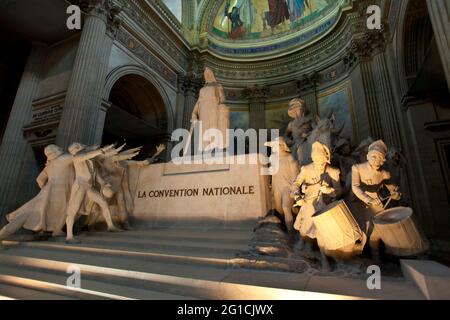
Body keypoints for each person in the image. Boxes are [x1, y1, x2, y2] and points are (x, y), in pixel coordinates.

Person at [0, 145, 74, 244]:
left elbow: (39, 179)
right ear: (57, 150)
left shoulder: (49, 165)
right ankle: (56, 229)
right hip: (59, 191)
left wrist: (44, 188)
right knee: (63, 210)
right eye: (58, 148)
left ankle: (56, 229)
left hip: (47, 191)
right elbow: (80, 157)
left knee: (30, 214)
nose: (61, 148)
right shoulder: (64, 158)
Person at [291, 141, 341, 270]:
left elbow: (339, 190)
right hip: (309, 204)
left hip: (326, 207)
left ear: (326, 158)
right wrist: (298, 195)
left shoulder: (332, 171)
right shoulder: (306, 169)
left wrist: (330, 190)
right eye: (317, 159)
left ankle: (325, 260)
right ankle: (303, 242)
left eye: (322, 160)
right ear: (313, 158)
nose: (320, 163)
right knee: (304, 228)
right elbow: (295, 184)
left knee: (321, 233)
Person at [351, 140, 401, 261]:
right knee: (364, 229)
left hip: (377, 204)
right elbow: (355, 187)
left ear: (383, 160)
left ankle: (378, 258)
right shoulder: (357, 168)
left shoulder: (384, 174)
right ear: (368, 156)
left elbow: (391, 187)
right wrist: (368, 199)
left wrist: (395, 193)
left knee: (379, 231)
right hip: (359, 202)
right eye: (373, 156)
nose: (376, 159)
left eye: (379, 158)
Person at [65, 143, 121, 243]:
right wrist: (101, 150)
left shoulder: (90, 161)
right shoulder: (77, 157)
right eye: (78, 146)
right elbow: (88, 154)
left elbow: (96, 175)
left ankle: (111, 226)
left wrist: (104, 184)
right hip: (80, 186)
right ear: (74, 150)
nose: (82, 146)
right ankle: (69, 236)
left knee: (103, 202)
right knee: (73, 210)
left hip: (88, 186)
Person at [265, 138, 300, 234]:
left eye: (276, 145)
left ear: (282, 145)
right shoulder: (273, 158)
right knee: (279, 209)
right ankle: (284, 230)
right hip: (277, 188)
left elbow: (295, 175)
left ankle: (291, 233)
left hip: (287, 187)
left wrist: (294, 189)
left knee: (286, 207)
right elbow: (272, 173)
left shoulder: (290, 158)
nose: (275, 148)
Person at [190, 68, 230, 151]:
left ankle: (215, 149)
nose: (207, 75)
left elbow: (222, 99)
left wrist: (221, 104)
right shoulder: (202, 89)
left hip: (214, 108)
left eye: (209, 73)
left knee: (214, 127)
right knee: (204, 130)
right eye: (205, 74)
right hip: (203, 109)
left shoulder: (218, 86)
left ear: (212, 74)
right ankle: (205, 150)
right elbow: (198, 102)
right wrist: (193, 114)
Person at [284, 98, 314, 165]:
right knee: (295, 158)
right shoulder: (291, 124)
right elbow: (286, 135)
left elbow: (316, 130)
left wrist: (308, 134)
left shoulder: (309, 120)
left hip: (309, 141)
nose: (300, 110)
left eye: (301, 108)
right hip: (297, 143)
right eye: (298, 109)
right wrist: (290, 141)